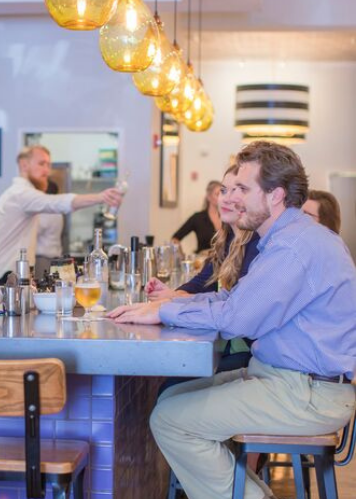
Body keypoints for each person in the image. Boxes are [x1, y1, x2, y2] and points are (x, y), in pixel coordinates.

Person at [109, 141, 356, 499]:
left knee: (170, 420)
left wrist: (164, 309)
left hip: (306, 392)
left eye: (242, 189)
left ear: (275, 196)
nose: (233, 198)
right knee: (169, 400)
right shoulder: (289, 237)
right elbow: (233, 299)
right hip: (295, 381)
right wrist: (167, 305)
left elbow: (238, 319)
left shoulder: (292, 246)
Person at [147, 165, 260, 375]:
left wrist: (169, 305)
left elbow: (231, 306)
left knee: (173, 382)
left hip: (248, 351)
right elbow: (201, 282)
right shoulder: (226, 240)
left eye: (238, 190)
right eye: (223, 191)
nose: (226, 199)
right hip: (233, 343)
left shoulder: (256, 243)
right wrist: (171, 296)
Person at [0, 145, 122, 281]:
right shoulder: (20, 194)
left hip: (14, 277)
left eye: (48, 165)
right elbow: (57, 203)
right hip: (2, 278)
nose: (47, 171)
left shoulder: (22, 193)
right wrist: (101, 197)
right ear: (24, 165)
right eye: (42, 164)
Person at [171, 180, 222, 253]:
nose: (221, 197)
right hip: (203, 261)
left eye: (222, 194)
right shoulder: (198, 218)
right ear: (209, 197)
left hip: (225, 262)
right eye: (217, 194)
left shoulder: (228, 218)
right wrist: (182, 257)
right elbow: (175, 239)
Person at [35, 179, 64, 278]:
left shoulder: (45, 211)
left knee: (42, 289)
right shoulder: (57, 210)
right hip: (55, 257)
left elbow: (36, 231)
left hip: (43, 259)